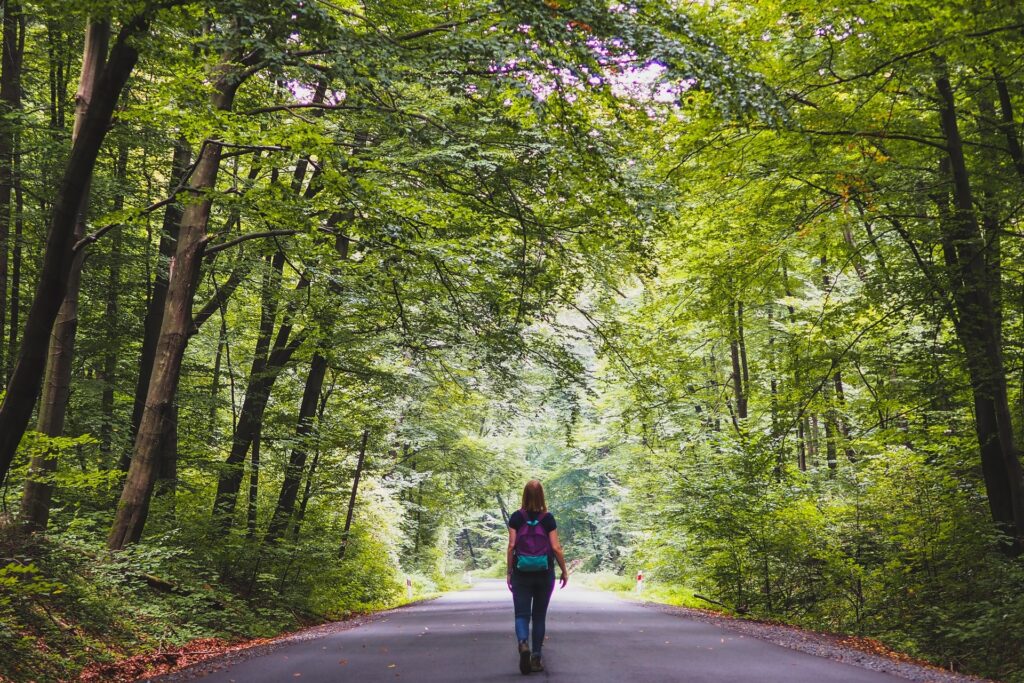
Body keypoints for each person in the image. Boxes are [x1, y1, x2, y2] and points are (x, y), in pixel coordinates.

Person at [506, 479, 568, 675]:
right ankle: (536, 658)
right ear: (542, 495)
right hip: (544, 573)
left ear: (524, 495)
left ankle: (523, 643)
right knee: (539, 616)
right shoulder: (548, 518)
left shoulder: (516, 518)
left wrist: (509, 571)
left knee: (521, 615)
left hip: (521, 573)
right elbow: (556, 547)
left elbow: (511, 546)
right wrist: (564, 570)